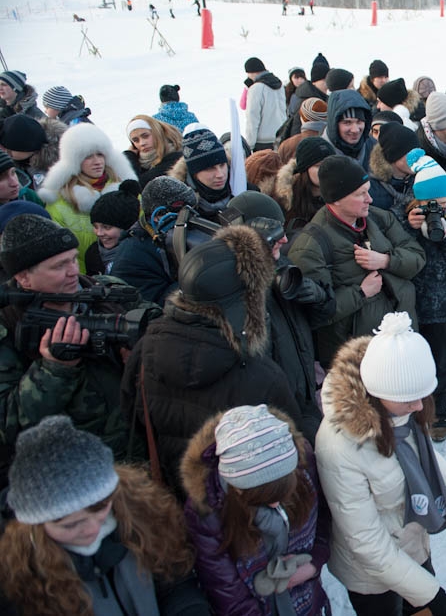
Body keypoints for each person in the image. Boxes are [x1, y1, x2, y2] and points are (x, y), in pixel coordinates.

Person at [314, 312, 446, 616]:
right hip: (370, 573)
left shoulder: (398, 407)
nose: (419, 406)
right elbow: (366, 542)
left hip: (412, 541)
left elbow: (417, 450)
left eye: (422, 396)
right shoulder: (338, 447)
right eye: (410, 400)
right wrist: (434, 596)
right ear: (380, 392)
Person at [121, 226, 304, 493]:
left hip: (174, 500)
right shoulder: (263, 377)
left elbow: (132, 424)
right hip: (239, 512)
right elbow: (293, 456)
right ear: (248, 303)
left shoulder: (145, 349)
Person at [0, 416, 211, 616]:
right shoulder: (17, 576)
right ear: (36, 524)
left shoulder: (142, 515)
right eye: (70, 525)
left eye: (100, 510)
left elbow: (174, 581)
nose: (93, 529)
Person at [0, 214, 153, 487]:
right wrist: (54, 370)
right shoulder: (9, 328)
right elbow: (8, 426)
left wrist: (142, 348)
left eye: (73, 258)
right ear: (23, 277)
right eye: (59, 266)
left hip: (139, 456)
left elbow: (159, 326)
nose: (73, 271)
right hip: (72, 480)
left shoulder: (106, 290)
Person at [180, 406, 331, 615]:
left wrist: (313, 563)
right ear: (237, 488)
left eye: (284, 492)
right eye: (264, 497)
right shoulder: (207, 512)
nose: (276, 504)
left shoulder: (302, 464)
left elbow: (324, 519)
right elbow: (227, 594)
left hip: (309, 604)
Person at [288, 155, 426, 364]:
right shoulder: (311, 246)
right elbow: (317, 313)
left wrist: (386, 261)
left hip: (401, 339)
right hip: (358, 357)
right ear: (336, 199)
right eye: (360, 194)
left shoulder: (379, 218)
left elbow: (417, 256)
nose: (369, 199)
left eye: (368, 191)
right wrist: (360, 292)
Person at [226, 191, 335, 440]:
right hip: (274, 413)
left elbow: (319, 321)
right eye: (274, 233)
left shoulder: (280, 265)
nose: (285, 240)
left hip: (305, 394)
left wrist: (316, 295)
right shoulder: (236, 287)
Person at [392, 151, 446, 441]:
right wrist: (408, 226)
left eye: (442, 203)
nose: (438, 209)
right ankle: (413, 411)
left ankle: (440, 411)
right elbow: (392, 252)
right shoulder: (402, 214)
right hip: (410, 305)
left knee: (442, 363)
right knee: (410, 364)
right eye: (431, 205)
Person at [38, 123, 139, 270]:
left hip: (131, 269)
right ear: (74, 161)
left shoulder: (125, 189)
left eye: (100, 154)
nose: (97, 162)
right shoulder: (58, 203)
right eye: (88, 156)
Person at [111, 176, 197, 305]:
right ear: (158, 215)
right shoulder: (133, 254)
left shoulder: (168, 238)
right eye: (182, 211)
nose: (190, 217)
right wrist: (197, 277)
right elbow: (153, 305)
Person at [263, 137, 335, 237]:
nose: (326, 170)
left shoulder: (340, 196)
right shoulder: (285, 200)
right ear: (305, 169)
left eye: (330, 165)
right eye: (319, 166)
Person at [168, 124, 238, 222]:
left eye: (222, 165)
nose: (220, 174)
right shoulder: (180, 208)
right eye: (210, 168)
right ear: (194, 173)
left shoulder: (247, 192)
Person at [84, 180, 141, 275]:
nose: (99, 233)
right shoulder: (93, 253)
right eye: (95, 226)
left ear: (127, 227)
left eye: (106, 227)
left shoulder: (142, 254)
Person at [0, 114, 66, 188]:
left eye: (9, 150)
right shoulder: (24, 161)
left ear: (26, 146)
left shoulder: (53, 169)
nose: (6, 153)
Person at [369, 122, 420, 211]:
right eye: (409, 153)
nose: (416, 158)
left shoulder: (422, 180)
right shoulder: (370, 188)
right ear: (393, 154)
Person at [123, 114, 185, 187]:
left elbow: (138, 185)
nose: (142, 143)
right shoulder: (137, 162)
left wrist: (129, 157)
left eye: (145, 136)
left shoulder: (176, 157)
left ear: (157, 133)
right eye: (136, 140)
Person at [325, 89, 377, 172]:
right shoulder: (321, 152)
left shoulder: (374, 148)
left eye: (359, 121)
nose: (355, 130)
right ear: (334, 124)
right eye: (347, 122)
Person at [243, 57, 286, 153]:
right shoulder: (279, 85)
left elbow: (252, 117)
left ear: (252, 72)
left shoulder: (256, 88)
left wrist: (249, 145)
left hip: (263, 141)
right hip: (281, 135)